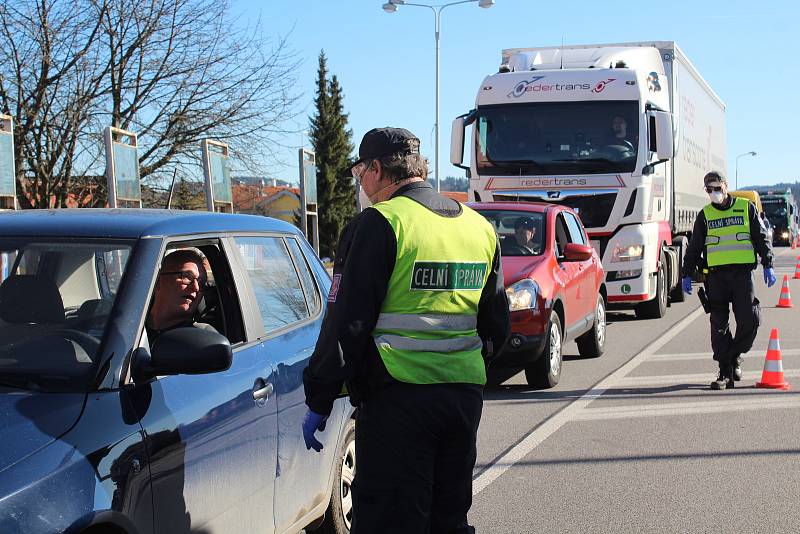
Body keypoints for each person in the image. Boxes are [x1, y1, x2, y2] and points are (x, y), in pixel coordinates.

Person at [302, 127, 510, 533]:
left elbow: (346, 323)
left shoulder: (380, 223)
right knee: (448, 519)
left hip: (398, 401)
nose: (360, 182)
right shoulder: (477, 227)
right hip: (462, 399)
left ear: (377, 169)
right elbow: (496, 326)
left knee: (390, 521)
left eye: (360, 172)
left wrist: (320, 396)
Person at [681, 171, 775, 390]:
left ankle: (733, 356)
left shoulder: (745, 207)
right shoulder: (705, 215)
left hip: (742, 276)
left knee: (750, 320)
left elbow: (761, 237)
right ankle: (724, 372)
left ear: (725, 186)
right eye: (709, 190)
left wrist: (768, 263)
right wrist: (686, 273)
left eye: (717, 188)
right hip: (716, 277)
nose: (714, 193)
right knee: (719, 325)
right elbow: (695, 246)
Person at [146, 249, 215, 343]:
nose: (196, 287)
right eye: (187, 276)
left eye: (202, 282)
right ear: (157, 281)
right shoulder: (128, 326)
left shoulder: (204, 340)